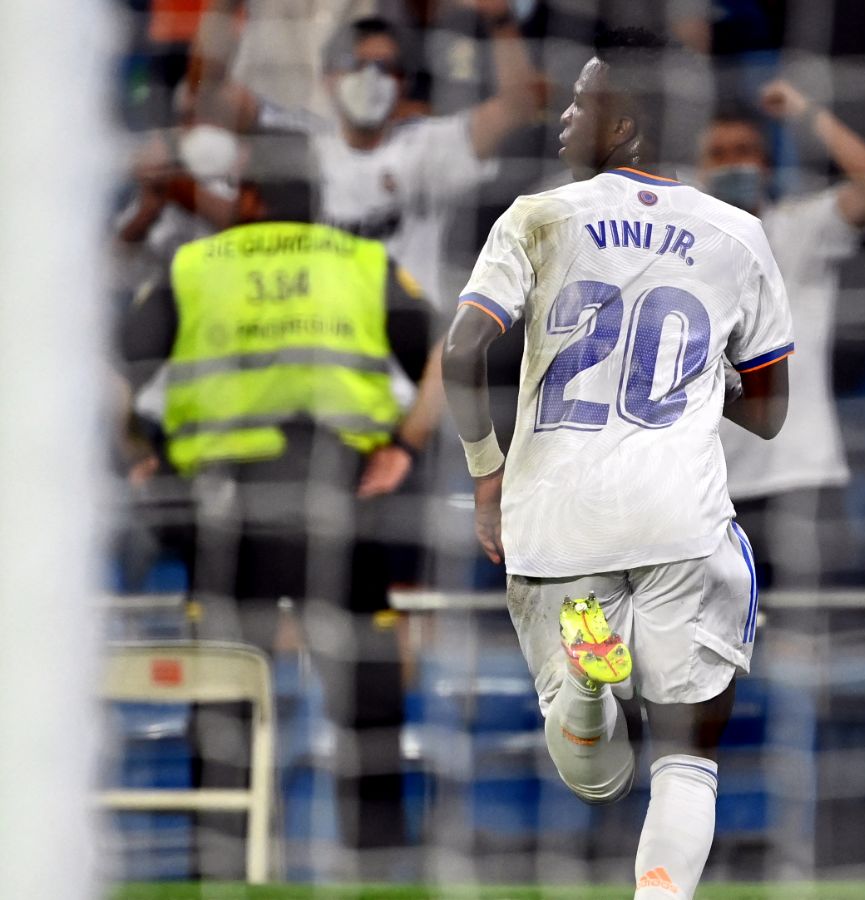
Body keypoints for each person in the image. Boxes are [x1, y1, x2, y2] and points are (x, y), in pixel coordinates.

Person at [440, 28, 792, 899]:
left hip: (555, 516)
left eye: (580, 100)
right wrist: (693, 390)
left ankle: (591, 695)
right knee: (688, 762)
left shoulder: (535, 217)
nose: (563, 116)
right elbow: (772, 410)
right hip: (679, 515)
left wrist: (487, 473)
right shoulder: (737, 233)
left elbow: (459, 355)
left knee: (592, 776)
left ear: (625, 121)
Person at [116, 133, 439, 876]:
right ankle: (382, 871)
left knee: (227, 707)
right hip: (342, 501)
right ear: (318, 200)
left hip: (226, 512)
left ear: (248, 194)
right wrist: (405, 449)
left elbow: (111, 372)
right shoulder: (364, 263)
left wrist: (142, 458)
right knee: (369, 708)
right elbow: (451, 358)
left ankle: (224, 872)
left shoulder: (192, 265)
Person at [190, 0, 545, 306]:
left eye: (385, 68)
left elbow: (518, 105)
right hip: (325, 338)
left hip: (407, 342)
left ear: (403, 82)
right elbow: (207, 95)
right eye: (356, 65)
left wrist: (500, 19)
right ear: (328, 76)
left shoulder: (430, 146)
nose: (371, 78)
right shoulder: (302, 142)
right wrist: (222, 7)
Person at [698, 79, 865, 588]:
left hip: (804, 479)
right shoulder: (681, 251)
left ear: (765, 164)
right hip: (712, 488)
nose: (732, 162)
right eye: (718, 154)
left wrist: (806, 113)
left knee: (814, 655)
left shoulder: (801, 229)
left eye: (743, 151)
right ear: (699, 172)